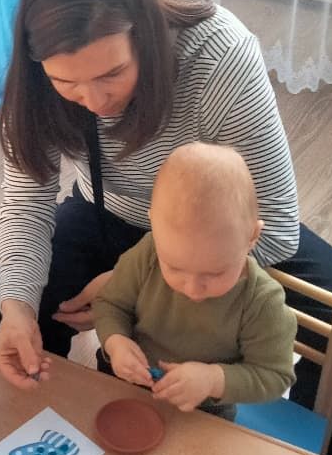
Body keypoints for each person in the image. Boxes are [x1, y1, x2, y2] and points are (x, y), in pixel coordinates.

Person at [0, 0, 332, 455]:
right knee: (0, 306)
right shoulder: (36, 84)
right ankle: (67, 444)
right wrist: (18, 308)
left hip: (215, 229)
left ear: (147, 36)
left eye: (112, 74)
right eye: (66, 81)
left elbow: (275, 223)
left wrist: (143, 281)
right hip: (111, 212)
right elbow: (26, 205)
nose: (93, 101)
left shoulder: (219, 55)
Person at [93, 143, 297, 420]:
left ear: (252, 237)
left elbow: (274, 375)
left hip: (204, 409)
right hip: (124, 381)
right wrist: (115, 341)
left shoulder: (262, 301)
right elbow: (110, 304)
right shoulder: (148, 253)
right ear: (153, 225)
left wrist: (213, 380)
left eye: (215, 273)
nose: (192, 289)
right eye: (174, 267)